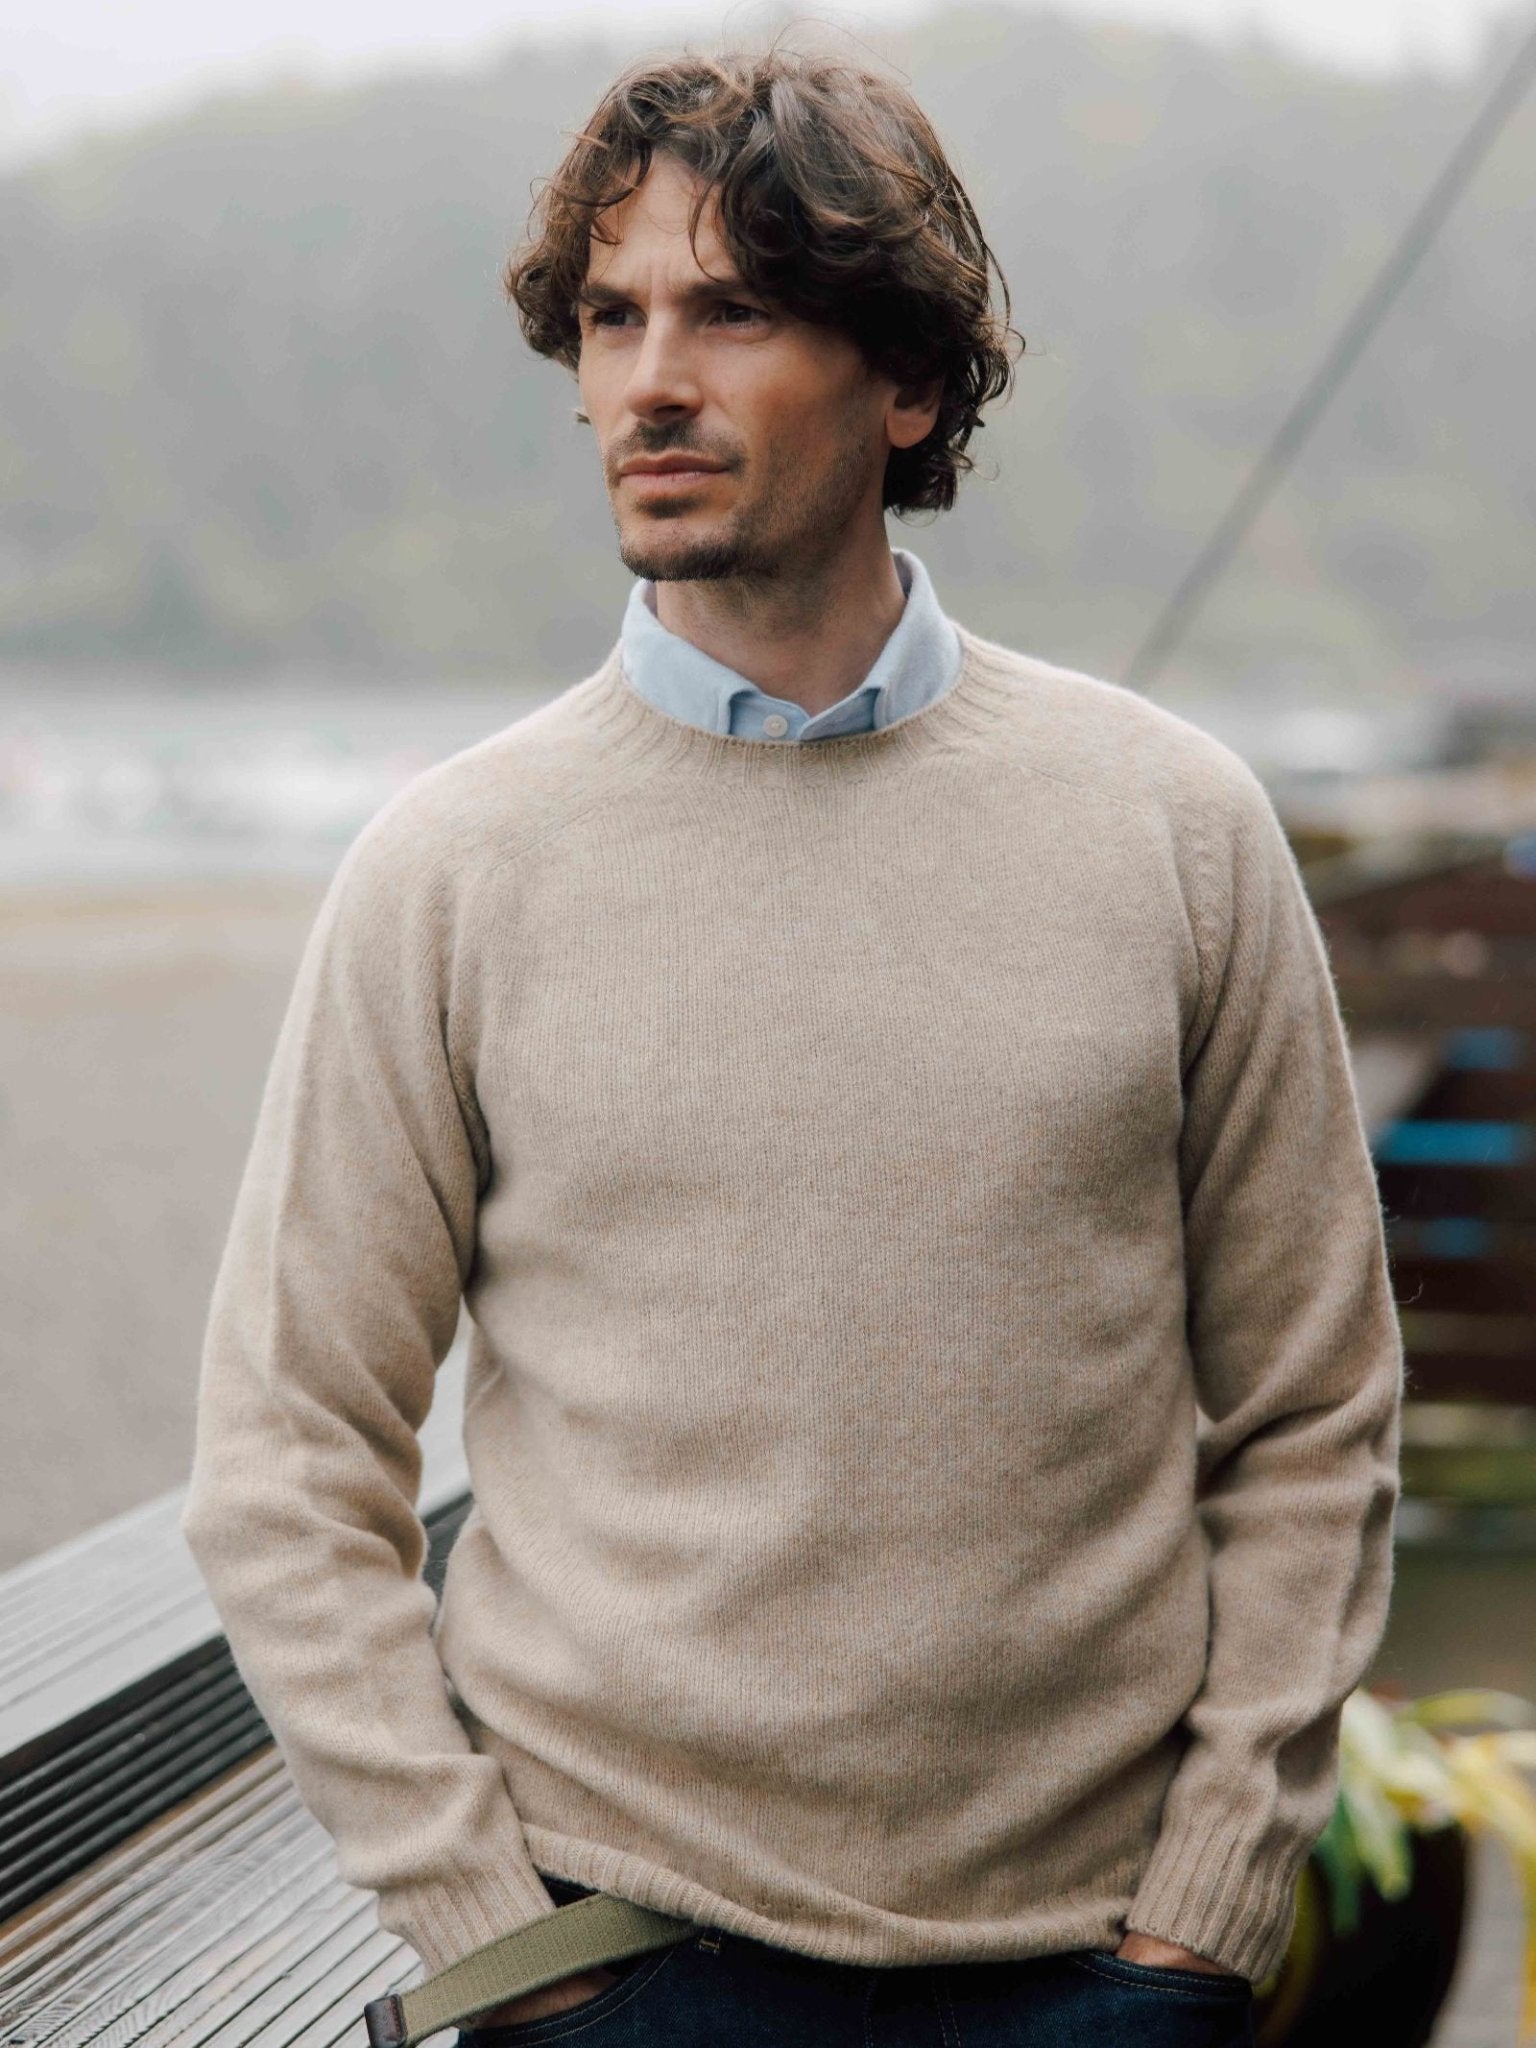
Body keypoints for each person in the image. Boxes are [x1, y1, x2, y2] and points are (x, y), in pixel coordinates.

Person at [181, 44, 1403, 2048]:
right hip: (618, 1957)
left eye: (731, 311)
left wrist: (1213, 1895)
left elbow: (1314, 1403)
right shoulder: (450, 869)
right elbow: (287, 1458)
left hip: (1097, 1974)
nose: (648, 382)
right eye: (610, 317)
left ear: (908, 382)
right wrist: (486, 1927)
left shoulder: (1175, 826)